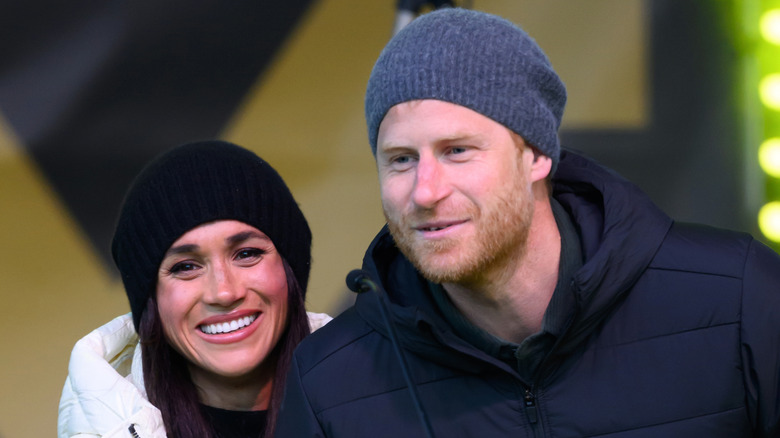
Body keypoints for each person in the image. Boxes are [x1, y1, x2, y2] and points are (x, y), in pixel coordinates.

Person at [275, 8, 780, 438]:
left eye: (458, 151)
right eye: (401, 160)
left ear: (537, 155)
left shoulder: (737, 297)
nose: (425, 191)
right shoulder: (331, 383)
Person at [57, 140, 331, 438]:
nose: (224, 293)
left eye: (246, 253)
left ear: (289, 270)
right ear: (151, 301)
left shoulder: (381, 393)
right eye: (185, 267)